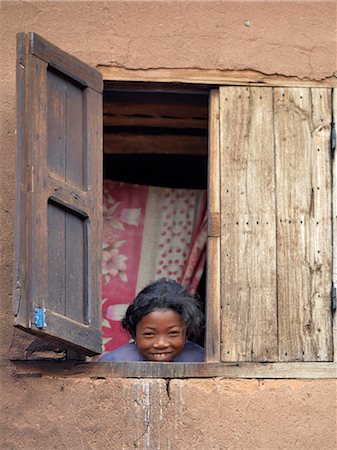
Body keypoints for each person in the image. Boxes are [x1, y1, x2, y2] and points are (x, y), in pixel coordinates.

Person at [99, 278, 204, 362]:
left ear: (187, 333)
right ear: (134, 334)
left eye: (173, 333)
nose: (161, 344)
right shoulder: (115, 362)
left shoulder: (200, 360)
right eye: (149, 334)